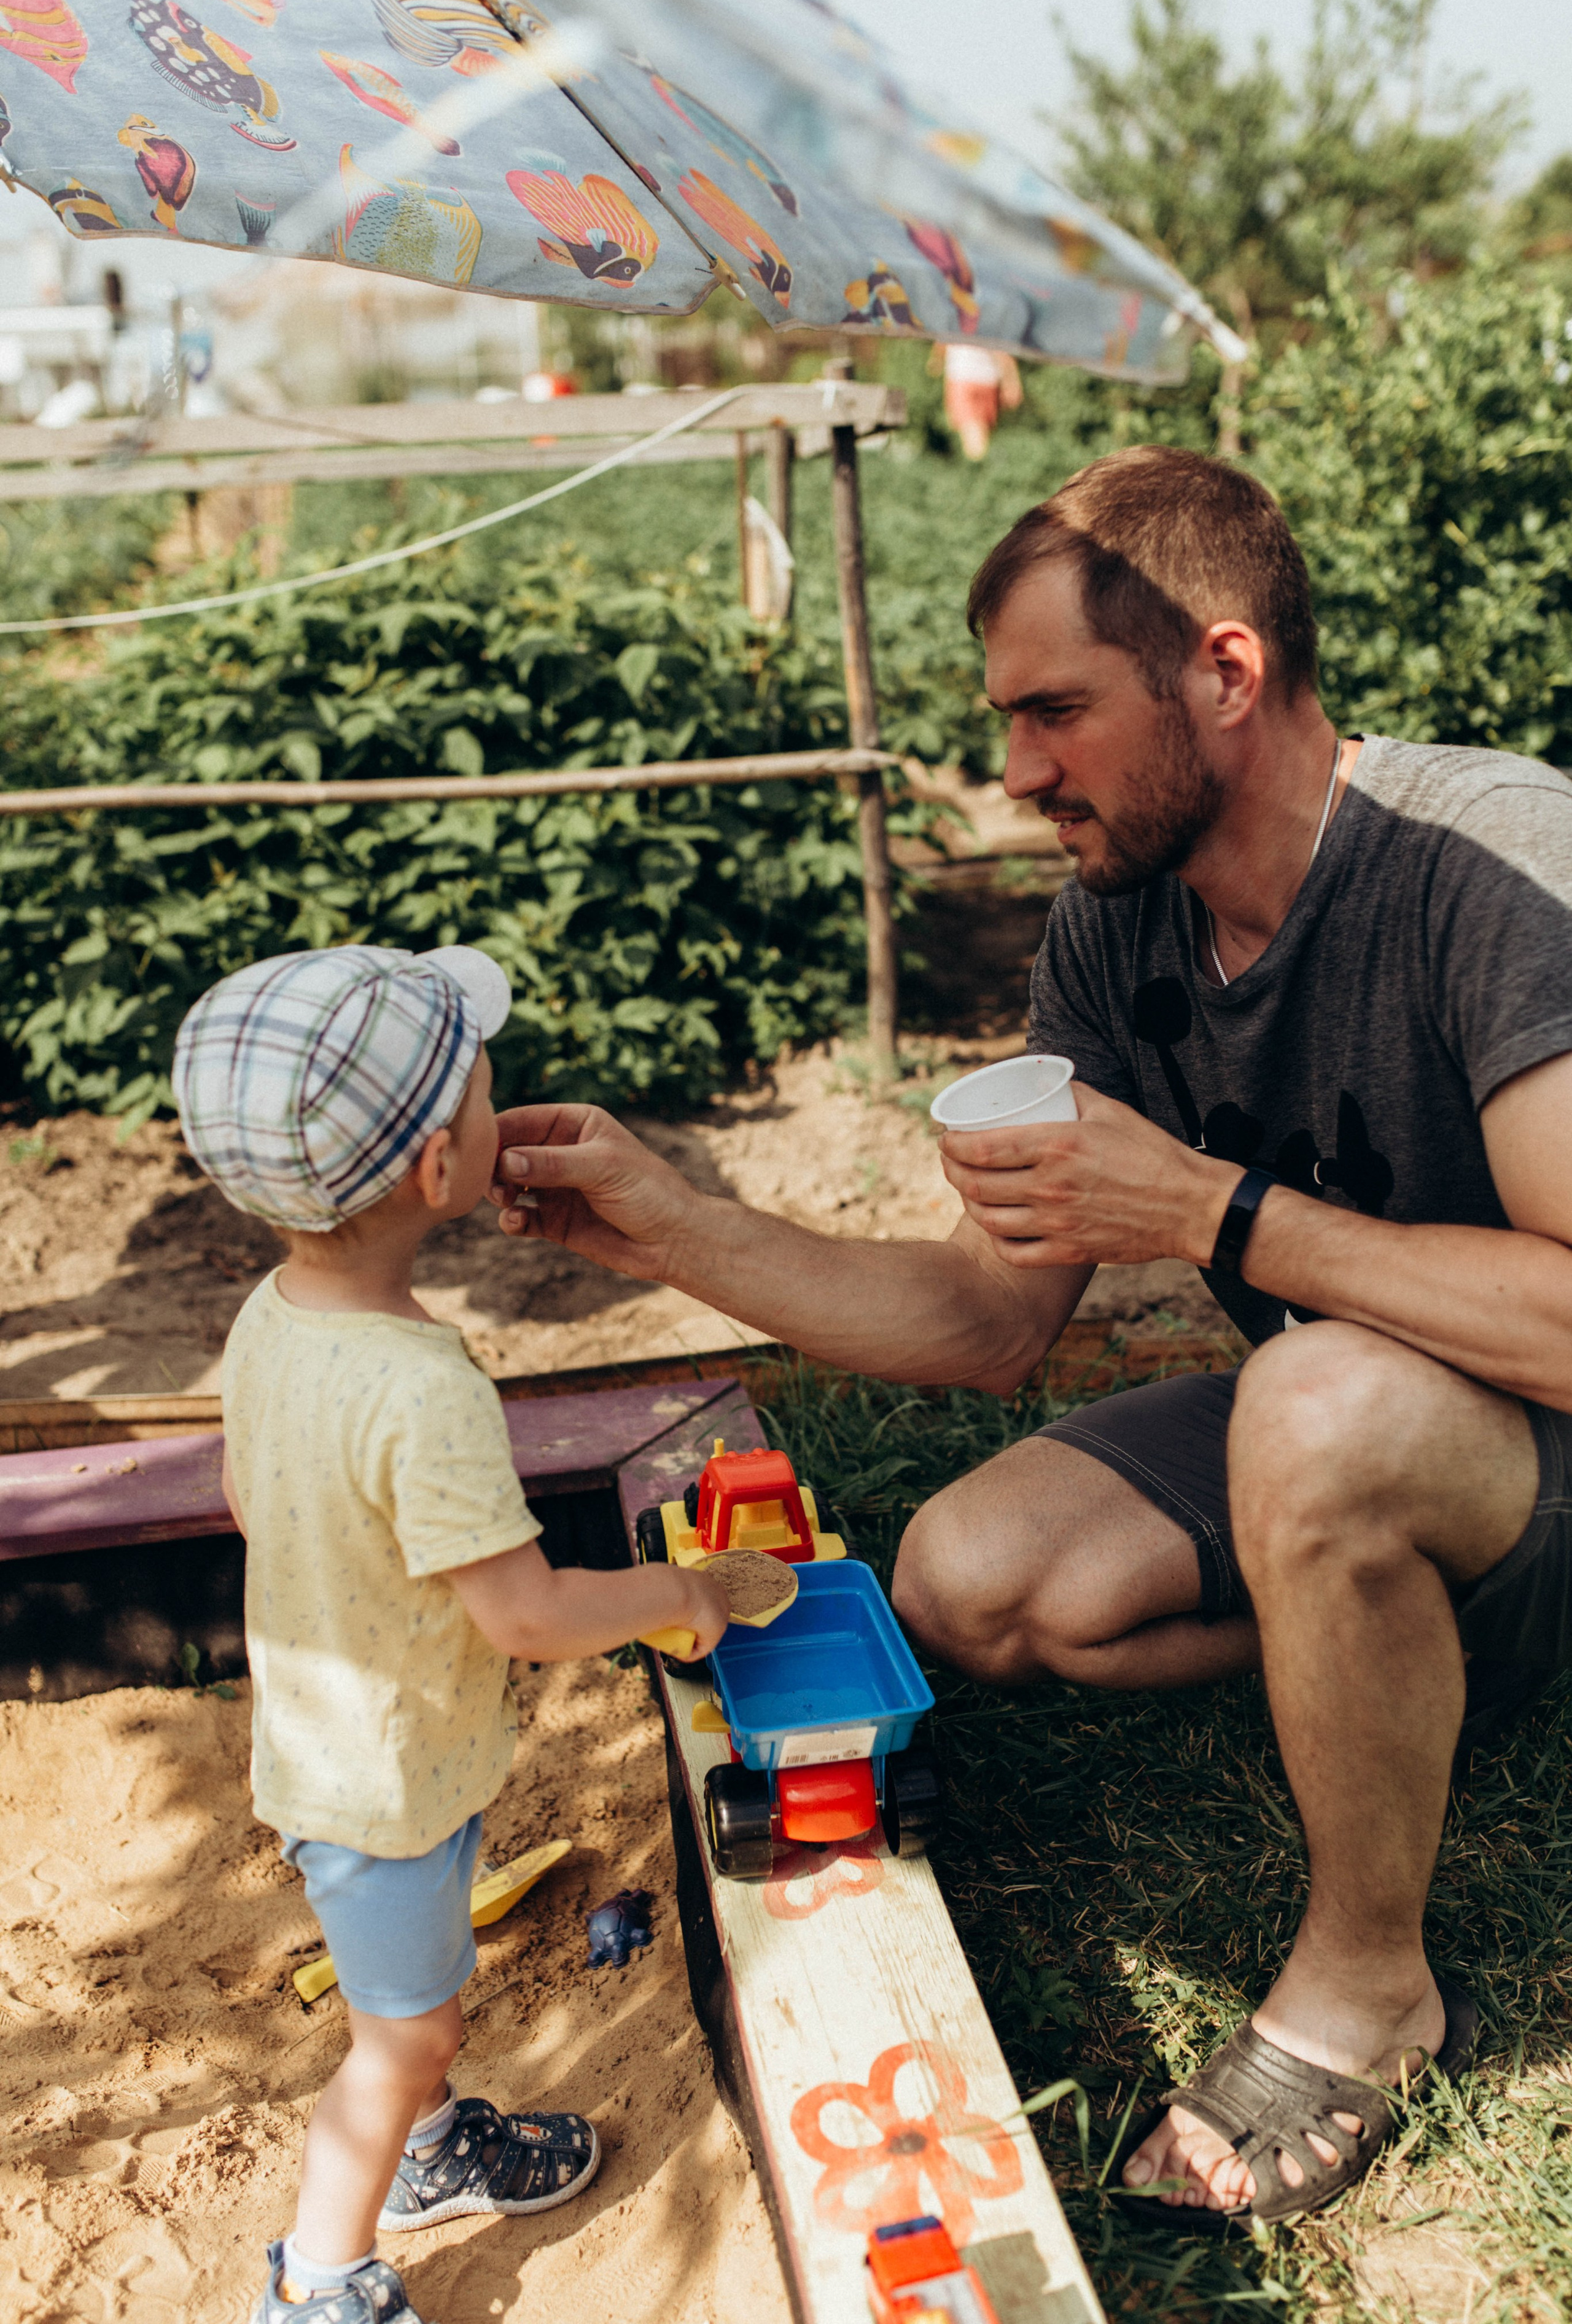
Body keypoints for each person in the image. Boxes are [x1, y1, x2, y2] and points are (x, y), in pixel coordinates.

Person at [486, 445, 1572, 2230]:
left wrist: (1211, 1215)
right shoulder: (1115, 924)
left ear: (1223, 672)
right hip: (1364, 1415)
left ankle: (1371, 1980)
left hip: (1507, 1440)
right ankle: (1378, 1652)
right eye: (1007, 717)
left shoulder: (1487, 859)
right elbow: (997, 1319)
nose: (1013, 772)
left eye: (1055, 710)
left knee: (1300, 1397)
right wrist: (672, 1220)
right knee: (971, 1578)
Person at [172, 944, 728, 2323]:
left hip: (342, 1750)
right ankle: (321, 2281)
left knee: (417, 2004)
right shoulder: (427, 1393)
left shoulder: (271, 1315)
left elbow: (254, 1495)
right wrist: (679, 1594)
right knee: (400, 2036)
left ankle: (427, 2151)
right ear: (438, 1174)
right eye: (487, 1095)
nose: (504, 1108)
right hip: (381, 1794)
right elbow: (530, 1613)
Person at [940, 340, 1023, 458]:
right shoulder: (988, 418)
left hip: (969, 364)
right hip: (983, 367)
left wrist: (1011, 381)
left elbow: (953, 386)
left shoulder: (959, 414)